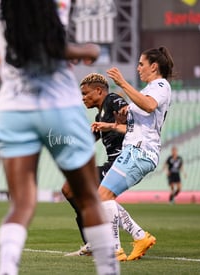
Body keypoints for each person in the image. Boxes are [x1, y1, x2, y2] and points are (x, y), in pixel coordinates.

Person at [0, 1, 119, 274]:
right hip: (59, 107)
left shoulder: (1, 7)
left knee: (21, 203)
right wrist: (87, 50)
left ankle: (6, 269)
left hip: (14, 110)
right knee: (88, 197)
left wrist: (15, 65)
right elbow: (49, 47)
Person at [98, 46, 174, 261]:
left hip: (139, 152)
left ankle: (116, 250)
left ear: (154, 66)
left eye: (141, 63)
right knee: (104, 197)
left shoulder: (160, 85)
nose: (138, 67)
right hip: (135, 151)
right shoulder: (150, 89)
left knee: (103, 196)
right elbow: (137, 126)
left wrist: (122, 83)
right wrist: (112, 125)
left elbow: (149, 106)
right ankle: (139, 237)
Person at [62, 73, 128, 259]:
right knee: (73, 191)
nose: (83, 98)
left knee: (72, 189)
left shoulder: (112, 100)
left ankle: (97, 242)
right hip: (114, 162)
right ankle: (94, 241)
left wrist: (122, 118)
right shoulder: (101, 114)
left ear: (99, 91)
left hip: (123, 161)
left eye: (85, 93)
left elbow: (129, 117)